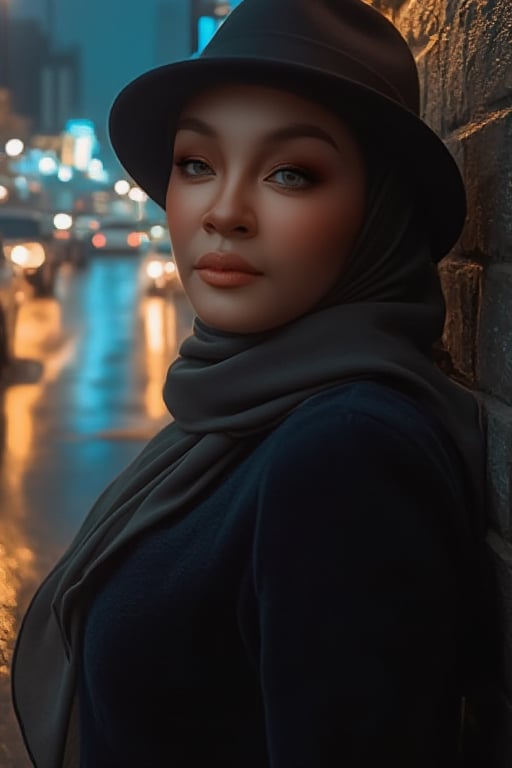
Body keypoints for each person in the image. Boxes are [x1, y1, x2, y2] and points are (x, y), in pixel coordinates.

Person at [12, 0, 486, 766]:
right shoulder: (245, 414)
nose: (223, 212)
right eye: (197, 164)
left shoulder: (345, 454)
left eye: (291, 173)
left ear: (378, 213)